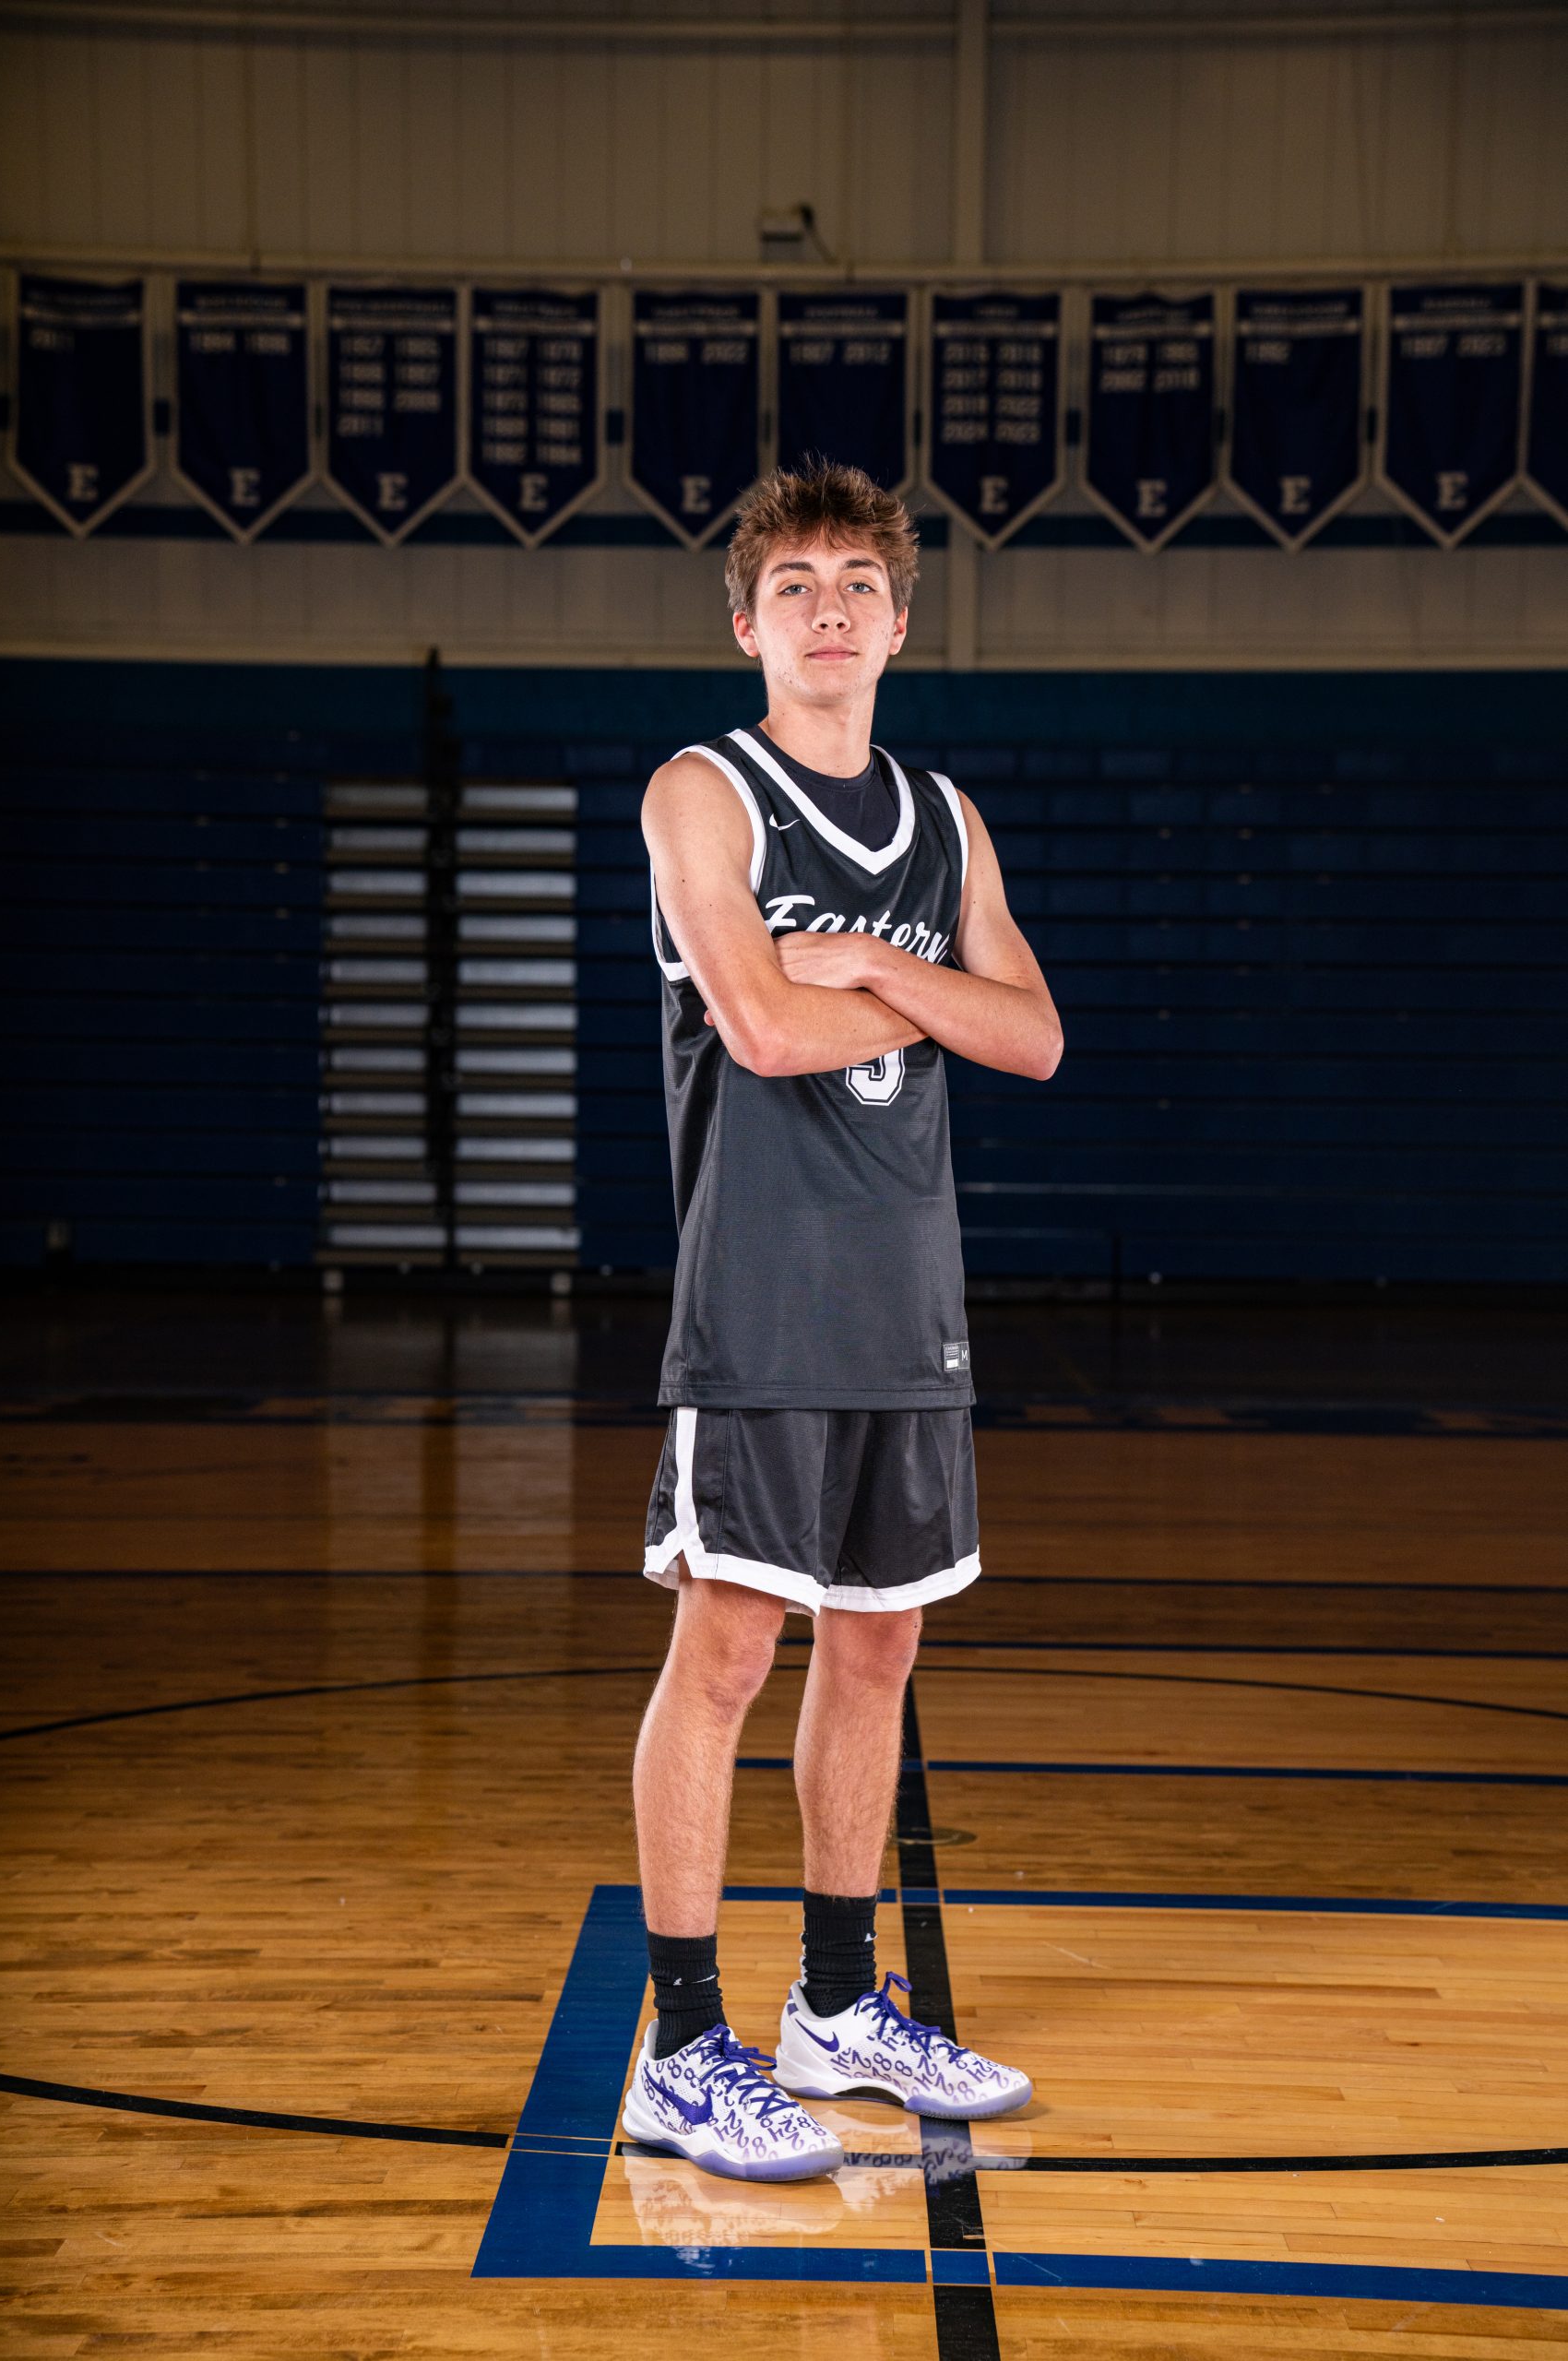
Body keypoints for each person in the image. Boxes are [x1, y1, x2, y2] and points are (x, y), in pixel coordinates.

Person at [620, 459, 1063, 2181]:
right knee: (727, 1651)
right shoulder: (700, 794)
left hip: (906, 1302)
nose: (827, 609)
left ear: (896, 624)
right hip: (758, 1295)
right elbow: (755, 1026)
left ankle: (830, 2008)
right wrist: (931, 993)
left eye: (856, 585)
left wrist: (871, 964)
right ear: (746, 624)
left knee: (878, 1648)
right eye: (792, 585)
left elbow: (1035, 1038)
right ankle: (681, 2046)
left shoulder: (944, 820)